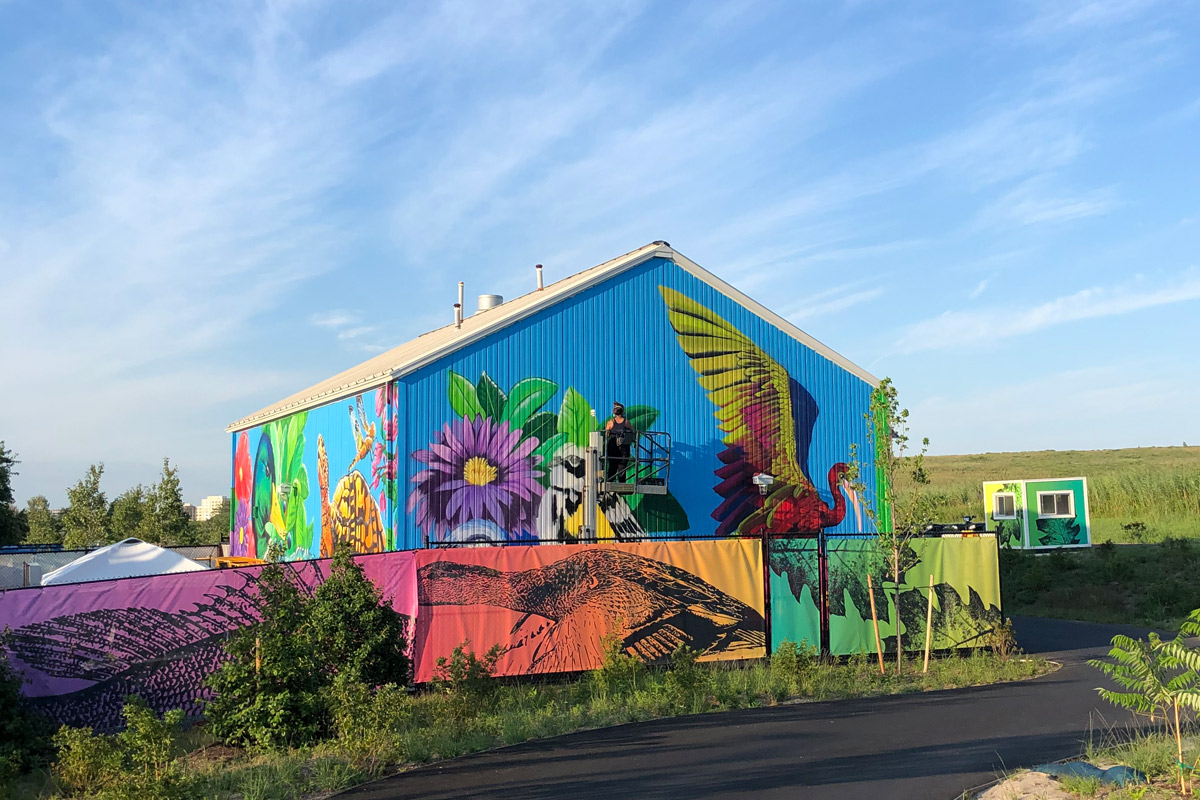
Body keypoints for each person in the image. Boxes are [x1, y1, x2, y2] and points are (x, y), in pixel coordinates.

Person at [604, 402, 635, 482]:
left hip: (613, 447)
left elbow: (607, 434)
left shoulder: (610, 422)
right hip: (623, 448)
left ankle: (610, 483)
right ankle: (621, 484)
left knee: (612, 466)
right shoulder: (626, 422)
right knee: (622, 467)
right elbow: (632, 432)